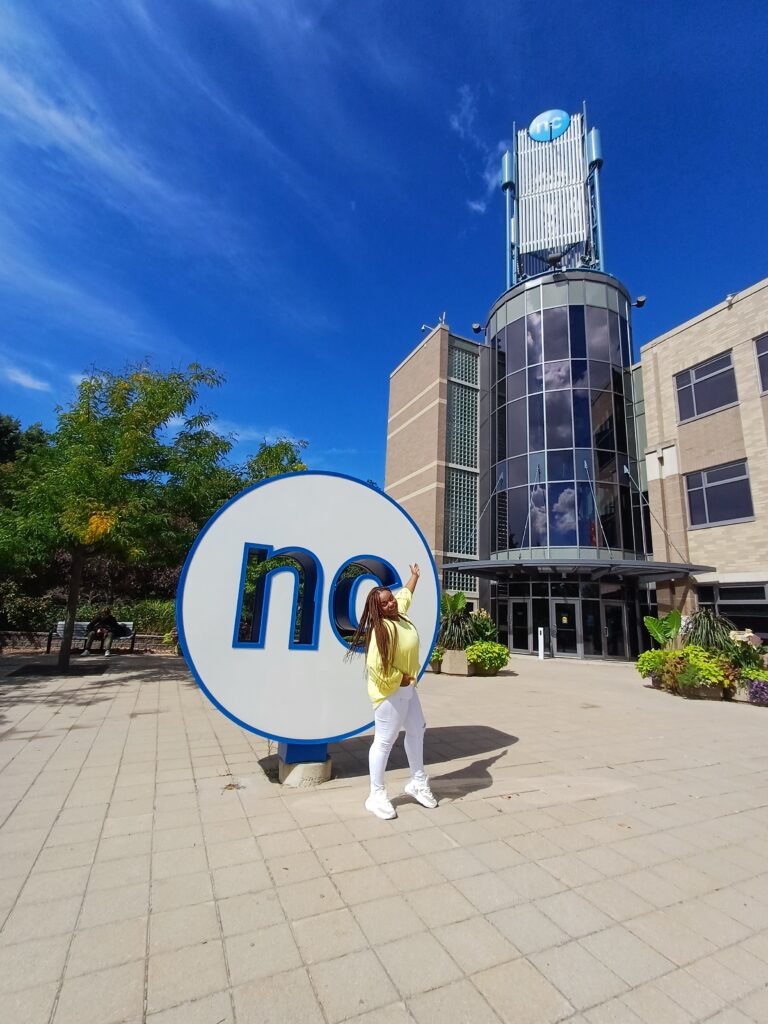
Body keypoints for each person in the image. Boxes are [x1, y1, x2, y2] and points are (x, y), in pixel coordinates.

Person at [347, 563, 437, 819]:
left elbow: (405, 596)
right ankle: (376, 794)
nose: (391, 604)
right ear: (377, 609)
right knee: (385, 741)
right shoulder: (381, 630)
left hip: (407, 688)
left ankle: (417, 781)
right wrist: (401, 679)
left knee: (417, 729)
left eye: (390, 599)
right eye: (385, 603)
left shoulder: (400, 614)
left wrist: (414, 577)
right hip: (390, 691)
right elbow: (375, 667)